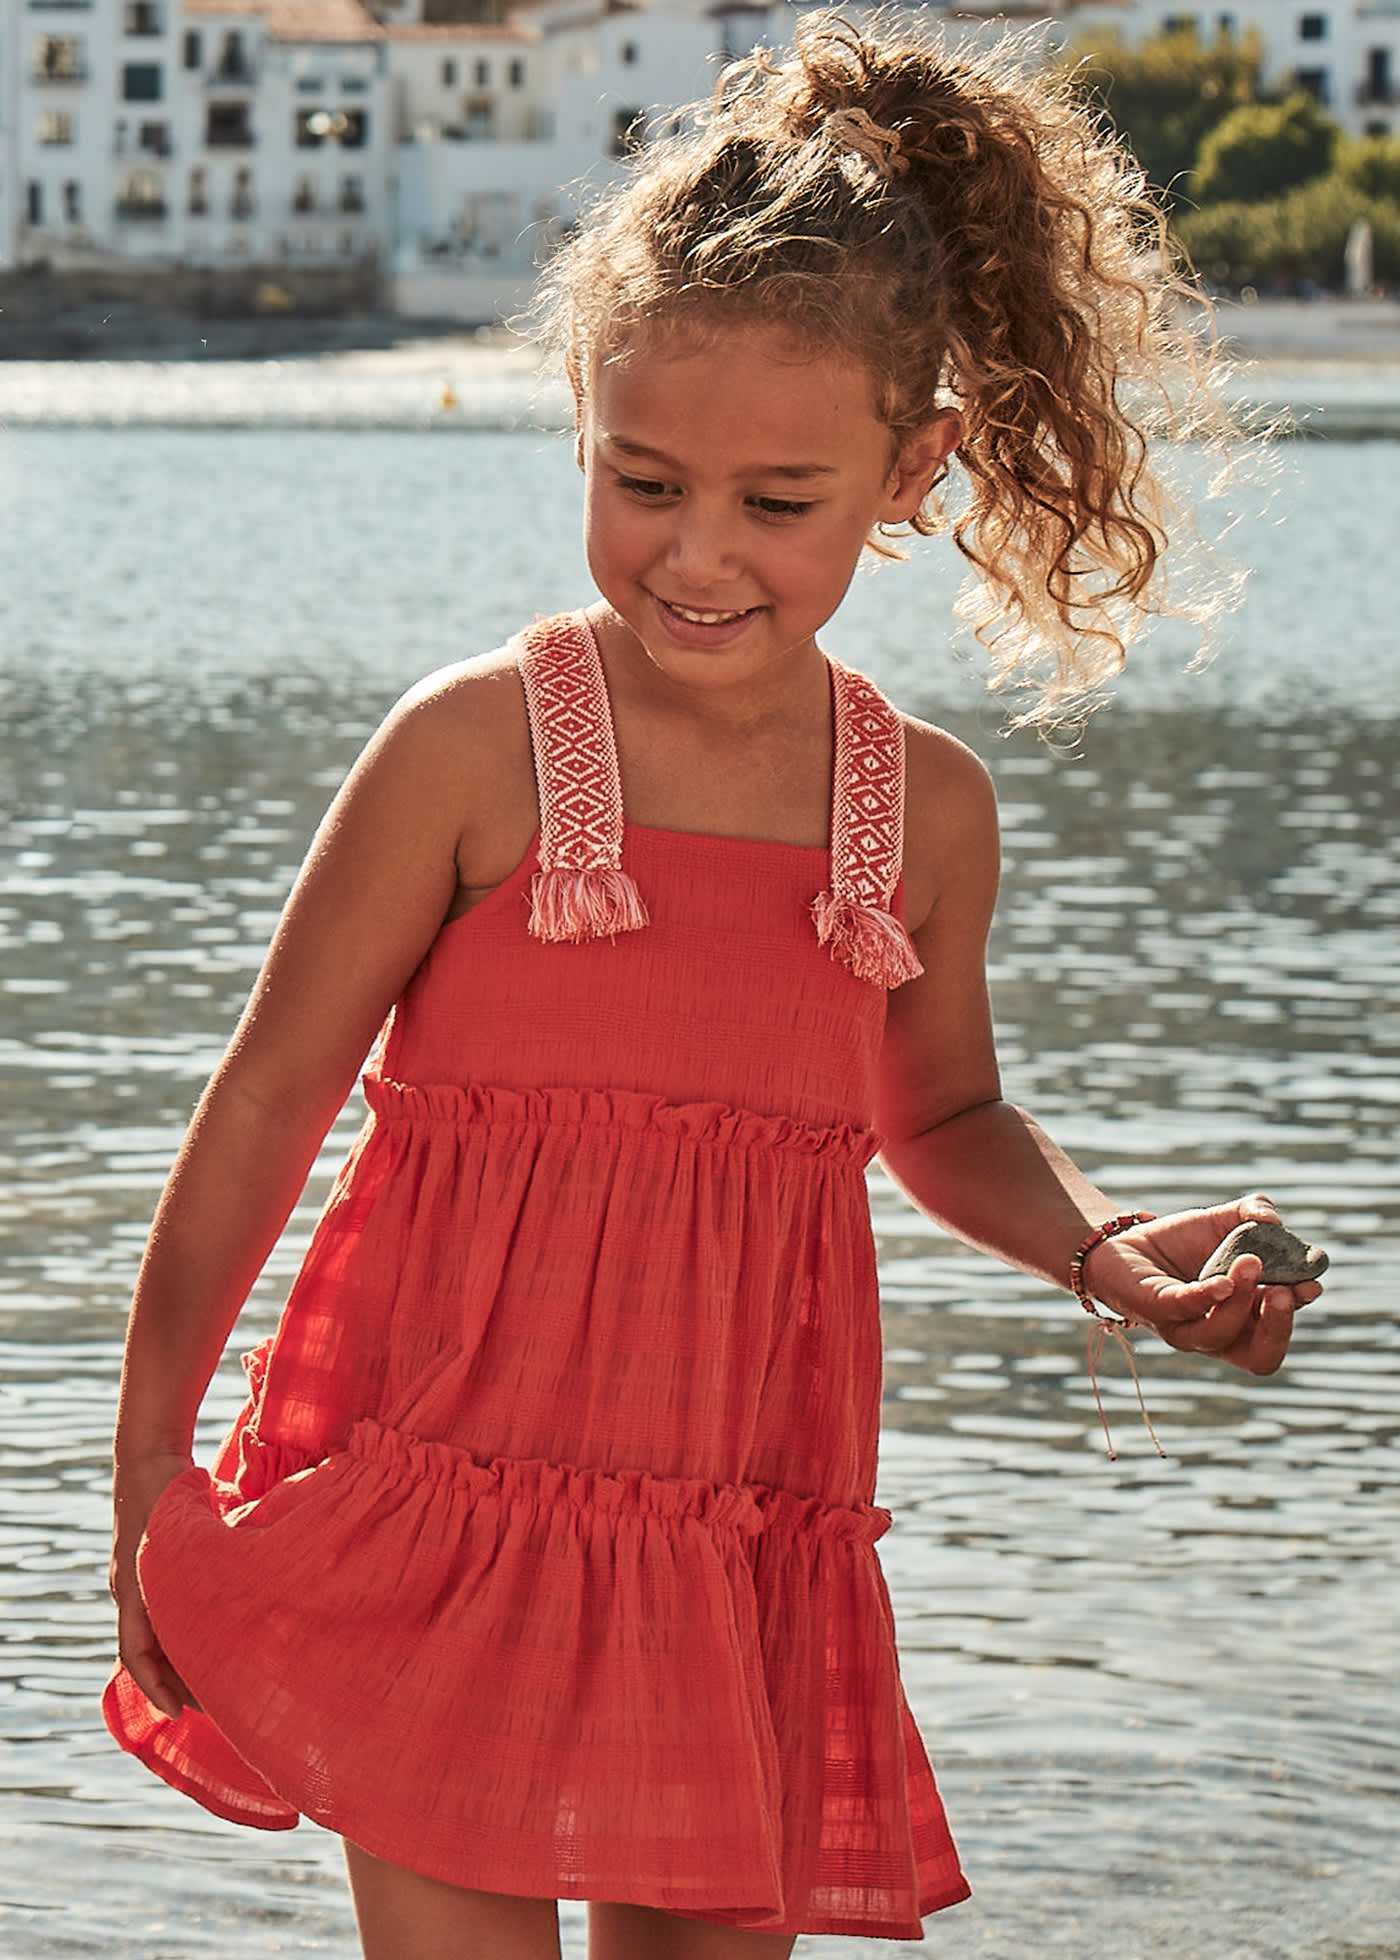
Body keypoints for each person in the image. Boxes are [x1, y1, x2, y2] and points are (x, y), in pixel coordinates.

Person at [103, 14, 1322, 1958]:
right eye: (643, 478)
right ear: (582, 423)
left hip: (734, 1536)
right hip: (448, 1523)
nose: (697, 553)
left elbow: (943, 1114)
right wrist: (149, 1459)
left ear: (910, 468)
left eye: (777, 502)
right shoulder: (473, 750)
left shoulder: (922, 806)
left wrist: (1115, 1259)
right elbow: (265, 1099)